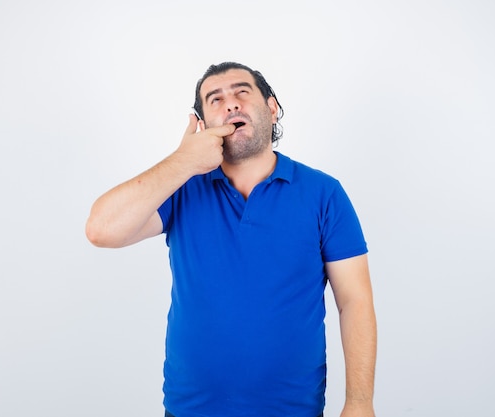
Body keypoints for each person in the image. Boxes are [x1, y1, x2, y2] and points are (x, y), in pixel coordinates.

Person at [86, 62, 377, 417]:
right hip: (190, 409)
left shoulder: (324, 194)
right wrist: (182, 161)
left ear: (271, 107)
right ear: (203, 123)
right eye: (215, 99)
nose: (231, 104)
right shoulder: (180, 188)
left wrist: (359, 403)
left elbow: (355, 301)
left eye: (242, 92)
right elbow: (101, 230)